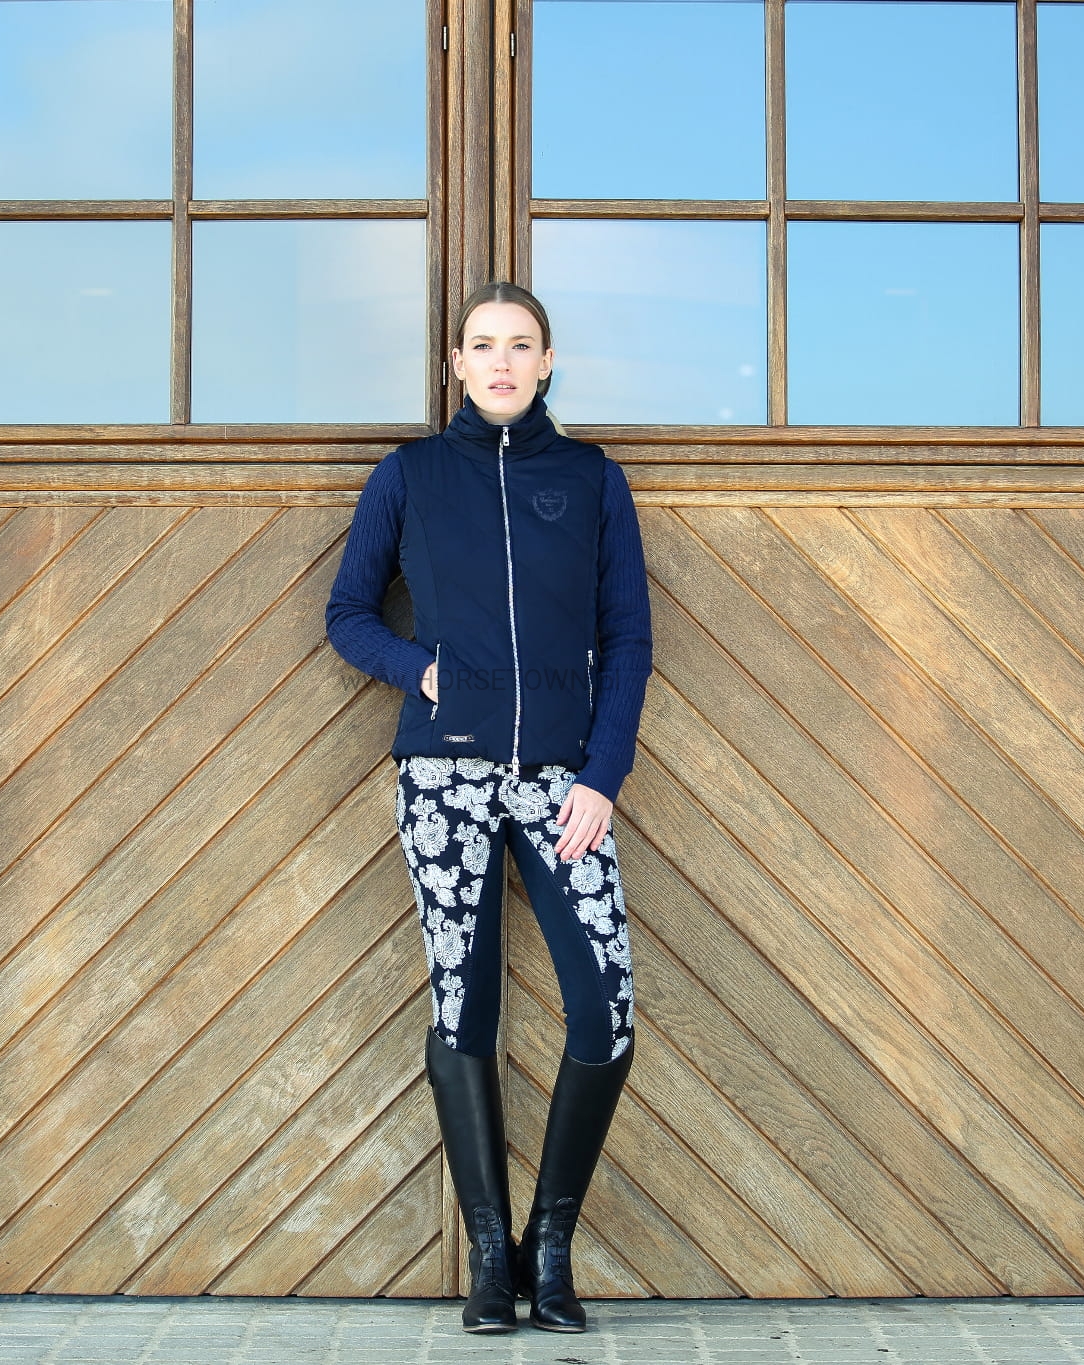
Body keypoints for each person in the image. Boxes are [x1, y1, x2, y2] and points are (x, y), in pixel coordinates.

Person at [324, 282, 653, 1334]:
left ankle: (548, 1247)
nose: (501, 361)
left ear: (547, 362)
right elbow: (347, 611)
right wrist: (419, 670)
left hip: (563, 782)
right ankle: (487, 1256)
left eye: (520, 344)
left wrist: (602, 775)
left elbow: (628, 637)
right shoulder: (410, 475)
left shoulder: (591, 480)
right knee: (460, 1003)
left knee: (604, 1008)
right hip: (445, 778)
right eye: (482, 344)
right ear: (456, 364)